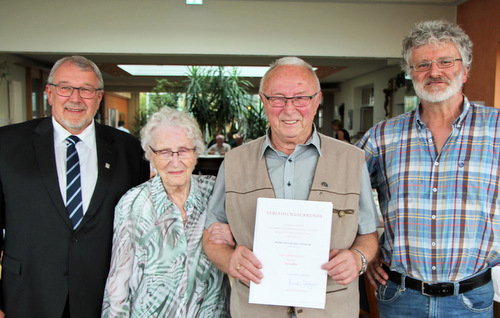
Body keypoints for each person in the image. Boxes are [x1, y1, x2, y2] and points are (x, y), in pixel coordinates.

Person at [202, 56, 379, 317]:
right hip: (256, 308)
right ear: (263, 101)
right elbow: (211, 237)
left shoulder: (352, 159)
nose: (289, 108)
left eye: (300, 98)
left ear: (317, 100)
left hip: (331, 309)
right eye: (278, 98)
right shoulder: (234, 161)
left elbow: (368, 235)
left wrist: (358, 259)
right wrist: (229, 260)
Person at [356, 20, 500, 317]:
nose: (434, 72)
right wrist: (364, 249)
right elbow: (342, 194)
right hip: (399, 296)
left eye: (445, 61)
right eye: (422, 65)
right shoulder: (382, 137)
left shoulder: (497, 128)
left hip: (471, 298)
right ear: (410, 73)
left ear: (466, 69)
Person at [0, 56, 150, 318]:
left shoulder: (130, 150)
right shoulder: (6, 144)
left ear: (99, 96)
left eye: (86, 89)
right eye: (65, 87)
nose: (75, 98)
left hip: (102, 297)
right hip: (26, 294)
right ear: (49, 93)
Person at [101, 108, 230, 317]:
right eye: (165, 152)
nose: (175, 160)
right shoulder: (133, 203)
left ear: (196, 151)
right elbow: (118, 284)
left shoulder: (215, 194)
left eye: (184, 150)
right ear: (150, 154)